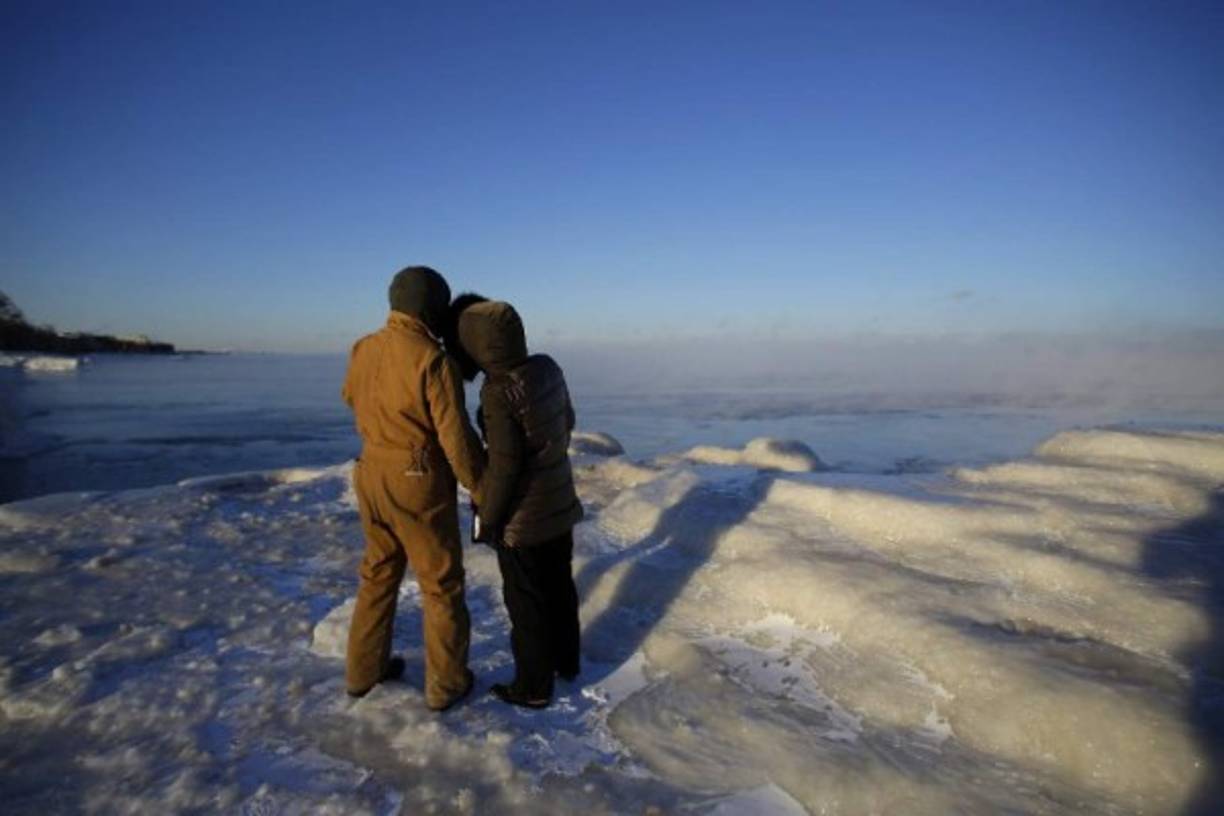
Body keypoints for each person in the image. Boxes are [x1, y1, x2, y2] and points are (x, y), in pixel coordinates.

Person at [341, 266, 486, 710]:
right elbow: (454, 437)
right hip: (416, 478)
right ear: (433, 309)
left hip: (370, 472)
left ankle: (363, 672)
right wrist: (480, 485)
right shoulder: (432, 358)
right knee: (440, 583)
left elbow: (350, 395)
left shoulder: (363, 347)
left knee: (378, 572)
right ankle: (446, 684)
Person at [455, 299, 584, 709]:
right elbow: (568, 421)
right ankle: (567, 663)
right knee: (560, 587)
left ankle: (532, 687)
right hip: (558, 503)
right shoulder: (547, 367)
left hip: (523, 520)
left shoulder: (497, 391)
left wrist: (488, 520)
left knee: (526, 602)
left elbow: (505, 466)